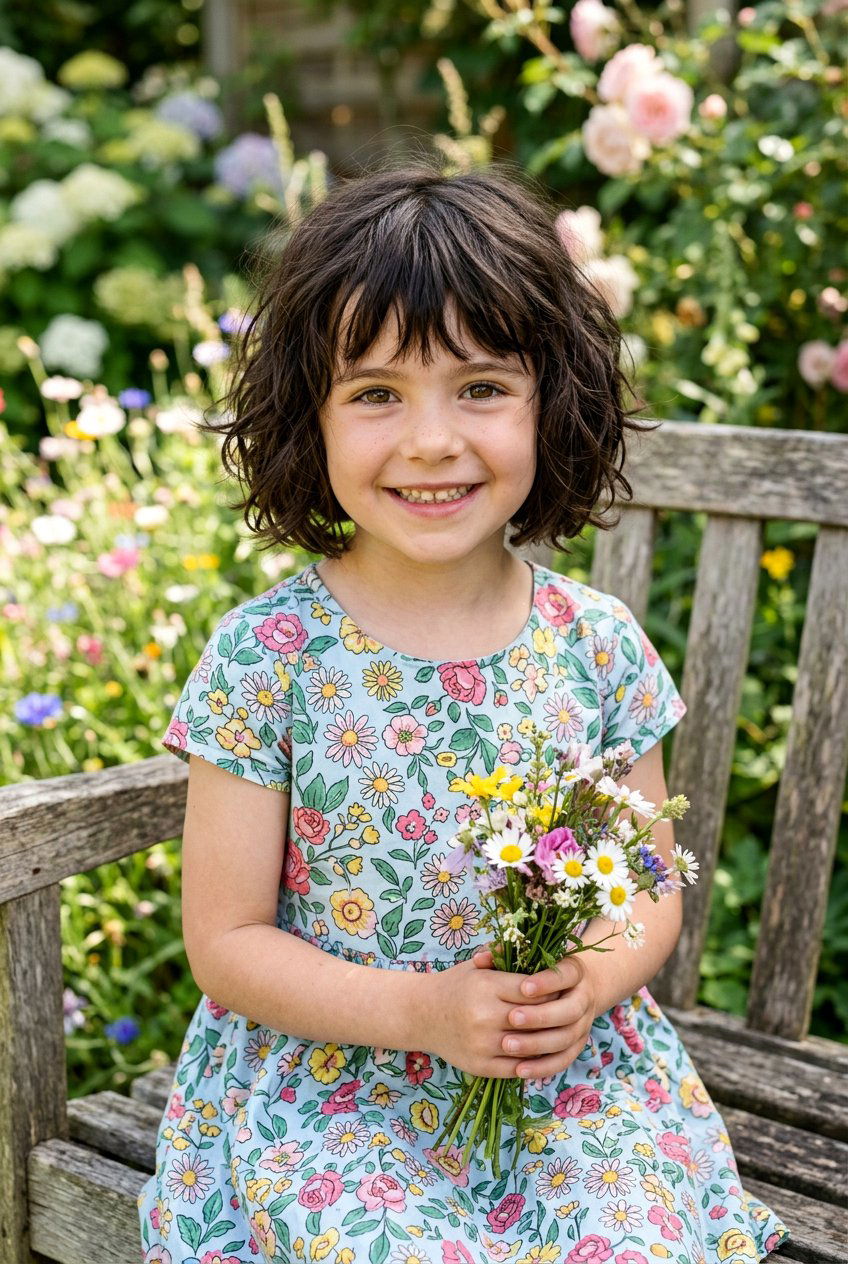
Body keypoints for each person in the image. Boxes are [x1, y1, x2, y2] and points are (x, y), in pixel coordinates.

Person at [137, 159, 790, 1264]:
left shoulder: (593, 645)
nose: (432, 440)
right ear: (308, 417)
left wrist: (584, 981)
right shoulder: (269, 655)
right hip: (334, 1096)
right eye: (376, 393)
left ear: (553, 402)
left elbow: (645, 889)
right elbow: (228, 941)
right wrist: (424, 1015)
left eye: (481, 387)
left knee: (625, 1237)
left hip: (562, 1087)